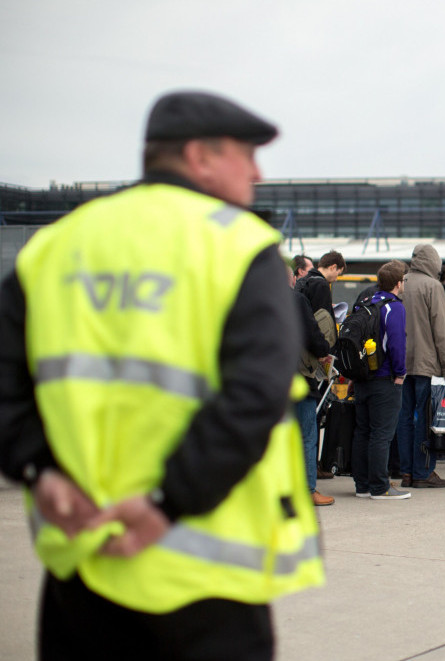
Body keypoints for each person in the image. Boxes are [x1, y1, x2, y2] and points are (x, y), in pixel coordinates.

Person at [0, 90, 323, 659]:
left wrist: (37, 467)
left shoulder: (55, 247)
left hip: (81, 565)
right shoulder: (239, 245)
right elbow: (254, 395)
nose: (257, 171)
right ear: (199, 156)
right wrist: (164, 504)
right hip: (205, 574)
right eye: (246, 155)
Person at [396, 244, 445, 489]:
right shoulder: (433, 286)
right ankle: (423, 471)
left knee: (403, 418)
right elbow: (441, 330)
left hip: (400, 364)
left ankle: (406, 472)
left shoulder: (400, 282)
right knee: (425, 419)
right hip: (426, 364)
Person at [351, 260, 410, 500]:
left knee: (362, 431)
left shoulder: (366, 303)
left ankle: (362, 485)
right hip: (384, 378)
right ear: (398, 283)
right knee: (381, 434)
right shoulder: (393, 307)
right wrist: (400, 373)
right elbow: (396, 344)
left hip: (363, 376)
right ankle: (380, 486)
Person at [292, 262, 335, 506]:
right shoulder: (295, 300)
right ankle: (307, 490)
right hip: (296, 377)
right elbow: (313, 335)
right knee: (307, 435)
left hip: (264, 380)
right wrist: (323, 351)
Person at [297, 250, 346, 349]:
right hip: (315, 347)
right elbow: (322, 320)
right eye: (338, 273)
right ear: (333, 267)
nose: (336, 279)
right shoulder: (321, 285)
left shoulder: (303, 281)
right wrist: (323, 348)